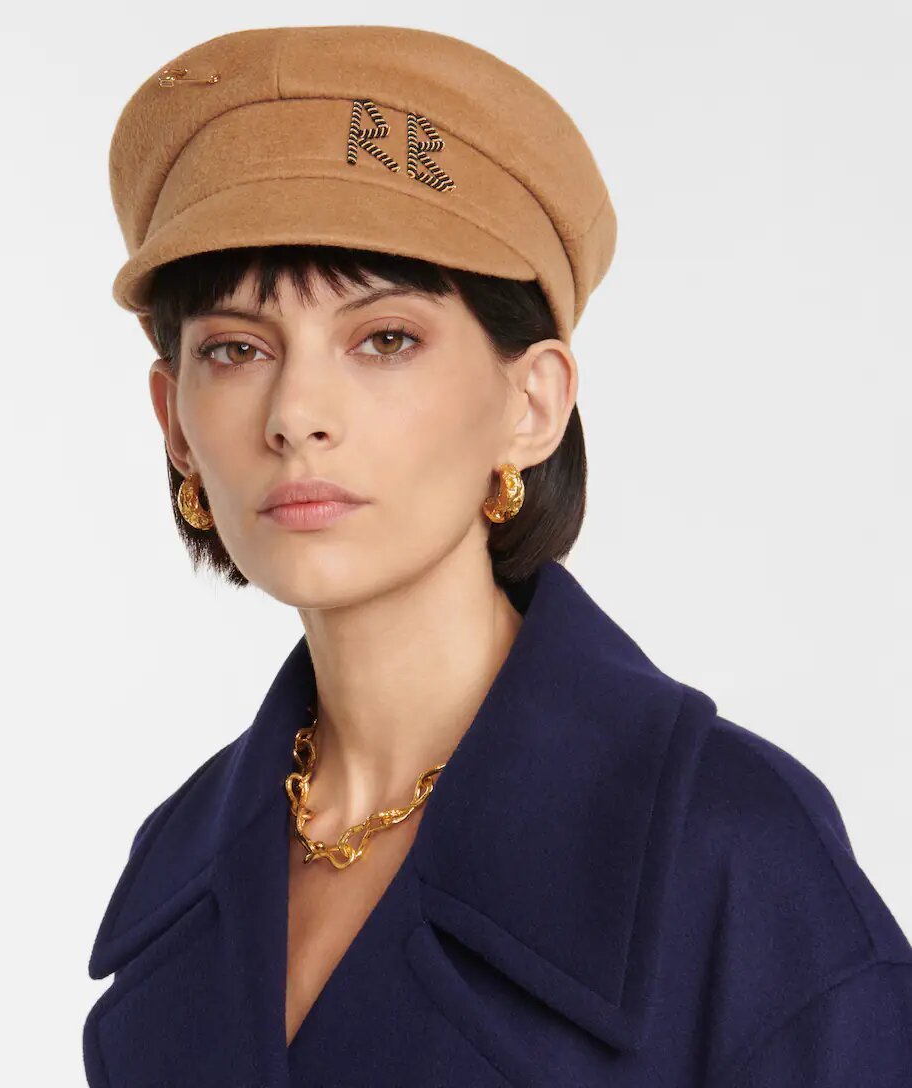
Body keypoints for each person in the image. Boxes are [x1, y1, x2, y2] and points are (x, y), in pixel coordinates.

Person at [83, 24, 912, 1088]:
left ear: (531, 403)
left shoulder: (724, 851)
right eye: (237, 349)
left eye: (382, 338)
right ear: (174, 420)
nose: (294, 413)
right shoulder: (181, 877)